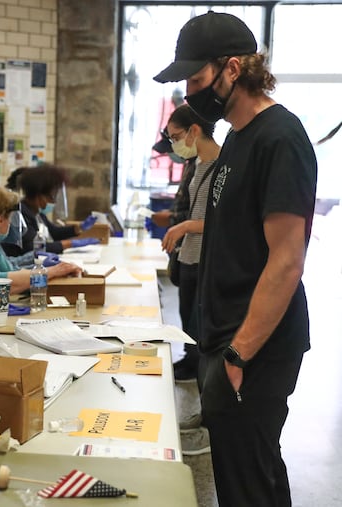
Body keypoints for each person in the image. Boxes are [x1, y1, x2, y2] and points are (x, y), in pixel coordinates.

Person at [154, 12, 317, 506]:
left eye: (197, 79)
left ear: (231, 69)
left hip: (255, 348)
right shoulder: (237, 139)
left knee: (246, 482)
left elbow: (287, 260)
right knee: (252, 470)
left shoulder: (279, 138)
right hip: (224, 339)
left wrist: (238, 353)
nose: (190, 93)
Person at [0, 183, 82, 323]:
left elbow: (9, 269)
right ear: (0, 219)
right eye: (9, 218)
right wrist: (49, 272)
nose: (10, 223)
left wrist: (44, 269)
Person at [159, 104, 220, 384]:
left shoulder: (222, 166)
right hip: (188, 254)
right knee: (186, 316)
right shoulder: (195, 164)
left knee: (200, 320)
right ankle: (190, 359)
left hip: (207, 256)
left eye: (175, 136)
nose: (174, 144)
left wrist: (183, 226)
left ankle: (198, 366)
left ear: (194, 130)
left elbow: (224, 221)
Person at [1, 165, 99, 263]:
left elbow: (54, 232)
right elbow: (32, 247)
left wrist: (78, 228)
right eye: (51, 196)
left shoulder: (37, 214)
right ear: (38, 195)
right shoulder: (21, 214)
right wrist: (69, 244)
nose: (53, 201)